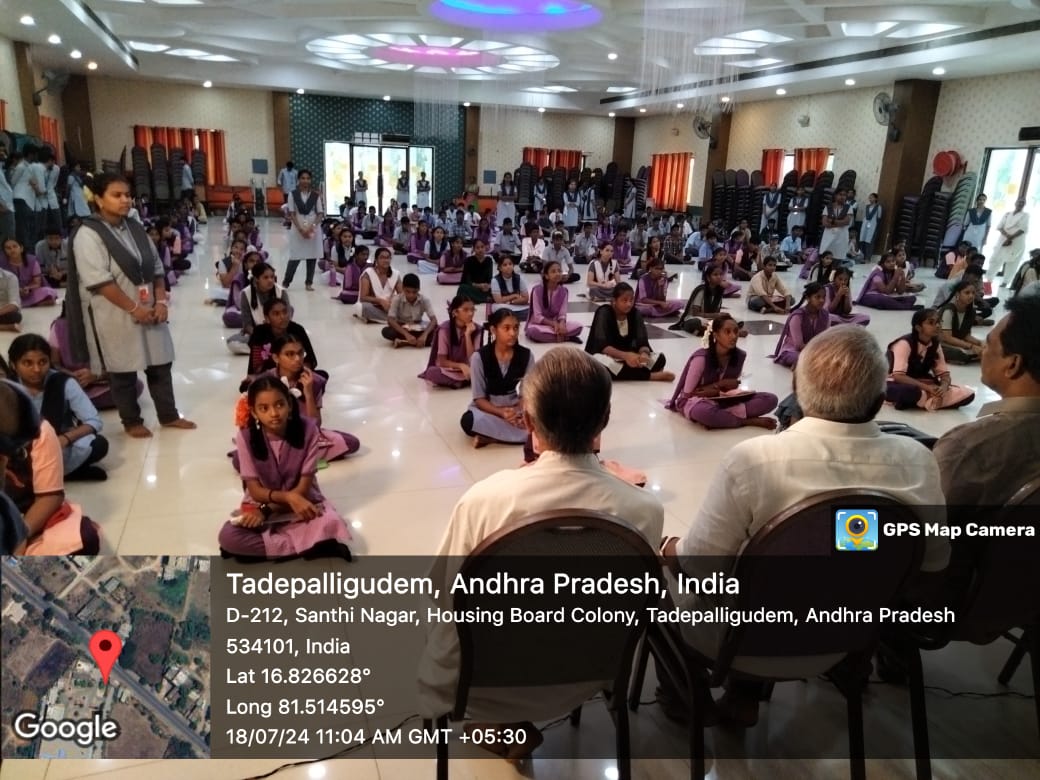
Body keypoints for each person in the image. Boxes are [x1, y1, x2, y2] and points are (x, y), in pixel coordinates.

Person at [660, 325, 950, 726]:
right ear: (881, 398)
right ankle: (748, 692)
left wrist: (667, 549)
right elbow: (931, 565)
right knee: (817, 561)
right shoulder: (917, 461)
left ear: (797, 385)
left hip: (746, 638)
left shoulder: (755, 460)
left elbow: (700, 567)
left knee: (667, 580)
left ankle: (688, 701)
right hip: (850, 637)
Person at [66, 173, 195, 438]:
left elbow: (157, 268)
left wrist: (160, 301)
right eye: (117, 195)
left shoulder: (135, 227)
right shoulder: (87, 234)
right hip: (113, 312)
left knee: (160, 362)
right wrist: (134, 308)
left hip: (149, 307)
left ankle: (169, 415)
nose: (125, 200)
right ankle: (131, 420)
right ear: (99, 199)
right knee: (121, 368)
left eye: (127, 194)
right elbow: (99, 281)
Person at [219, 376, 351, 560]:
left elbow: (303, 488)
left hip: (303, 500)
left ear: (289, 404)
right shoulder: (245, 436)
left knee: (331, 522)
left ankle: (271, 549)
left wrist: (285, 502)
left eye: (279, 405)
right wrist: (271, 506)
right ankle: (312, 545)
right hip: (261, 504)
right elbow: (255, 491)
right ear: (254, 413)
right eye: (264, 408)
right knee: (228, 537)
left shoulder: (308, 430)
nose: (273, 413)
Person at [934, 295, 1040, 507]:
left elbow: (921, 522)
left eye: (989, 344)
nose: (983, 352)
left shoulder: (968, 446)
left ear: (1013, 364)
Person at [0, 378, 100, 556]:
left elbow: (49, 497)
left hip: (28, 518)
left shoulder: (37, 430)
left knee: (83, 539)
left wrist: (19, 538)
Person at [9, 334, 108, 480]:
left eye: (42, 362)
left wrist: (65, 438)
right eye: (28, 363)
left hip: (58, 445)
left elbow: (93, 421)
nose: (36, 369)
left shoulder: (63, 382)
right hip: (22, 450)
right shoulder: (7, 387)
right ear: (13, 365)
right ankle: (65, 474)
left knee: (99, 444)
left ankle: (41, 478)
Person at [259, 334, 359, 463]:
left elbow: (315, 425)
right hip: (273, 435)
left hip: (304, 436)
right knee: (243, 458)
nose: (297, 359)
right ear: (276, 357)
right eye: (289, 354)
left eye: (300, 353)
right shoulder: (265, 381)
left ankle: (287, 459)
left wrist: (309, 393)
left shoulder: (314, 380)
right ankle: (294, 458)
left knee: (351, 443)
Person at [459, 308, 535, 448]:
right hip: (489, 409)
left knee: (543, 418)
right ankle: (518, 436)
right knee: (468, 421)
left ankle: (491, 437)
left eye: (516, 328)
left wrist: (521, 413)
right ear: (494, 330)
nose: (512, 333)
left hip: (515, 407)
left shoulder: (526, 355)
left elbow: (528, 394)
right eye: (506, 328)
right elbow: (479, 399)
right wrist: (501, 413)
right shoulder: (479, 357)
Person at [885, 308, 976, 411]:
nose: (937, 326)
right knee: (909, 392)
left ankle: (921, 401)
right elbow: (898, 376)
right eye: (931, 323)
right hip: (897, 383)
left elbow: (944, 375)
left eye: (938, 322)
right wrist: (927, 388)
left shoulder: (935, 345)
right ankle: (927, 400)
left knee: (968, 394)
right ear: (918, 328)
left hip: (923, 383)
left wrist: (943, 387)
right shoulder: (904, 343)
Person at [585, 283, 673, 382]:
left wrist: (644, 354)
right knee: (602, 364)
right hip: (607, 356)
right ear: (614, 301)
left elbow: (642, 342)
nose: (629, 304)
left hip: (631, 357)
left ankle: (630, 373)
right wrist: (625, 356)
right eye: (624, 300)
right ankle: (650, 376)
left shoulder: (635, 313)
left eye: (631, 300)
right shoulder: (604, 312)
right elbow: (602, 346)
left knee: (660, 358)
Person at [419, 295, 481, 388]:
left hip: (471, 369)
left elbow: (474, 360)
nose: (470, 313)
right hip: (450, 369)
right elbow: (442, 361)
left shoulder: (477, 329)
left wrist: (468, 335)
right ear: (455, 312)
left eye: (472, 310)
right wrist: (461, 366)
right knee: (432, 373)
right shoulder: (445, 329)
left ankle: (460, 381)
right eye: (466, 310)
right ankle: (465, 381)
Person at [246, 298, 318, 377]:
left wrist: (297, 372)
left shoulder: (297, 329)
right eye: (276, 314)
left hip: (294, 373)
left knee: (321, 376)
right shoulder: (259, 331)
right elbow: (255, 364)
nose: (282, 317)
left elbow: (310, 359)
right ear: (267, 318)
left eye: (285, 312)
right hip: (269, 375)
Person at [229, 261, 289, 354]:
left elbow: (286, 319)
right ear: (257, 279)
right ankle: (271, 349)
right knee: (233, 343)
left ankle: (265, 349)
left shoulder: (281, 292)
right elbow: (247, 324)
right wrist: (260, 335)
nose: (270, 280)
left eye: (272, 277)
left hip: (279, 332)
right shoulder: (246, 293)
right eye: (266, 277)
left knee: (298, 336)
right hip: (256, 334)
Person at [772, 282, 830, 368]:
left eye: (823, 297)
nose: (822, 300)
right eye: (817, 297)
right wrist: (819, 352)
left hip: (816, 351)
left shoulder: (825, 315)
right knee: (801, 358)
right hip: (793, 351)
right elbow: (799, 346)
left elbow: (826, 339)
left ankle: (805, 365)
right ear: (808, 298)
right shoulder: (797, 316)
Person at [283, 169, 324, 290]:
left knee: (312, 256)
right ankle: (286, 282)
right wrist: (301, 229)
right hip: (297, 228)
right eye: (303, 178)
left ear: (310, 180)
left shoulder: (316, 195)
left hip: (313, 227)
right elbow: (292, 213)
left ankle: (309, 283)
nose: (305, 180)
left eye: (308, 178)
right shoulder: (292, 194)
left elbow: (320, 213)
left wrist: (312, 228)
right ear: (298, 180)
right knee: (295, 255)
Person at [526, 261, 582, 343]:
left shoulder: (564, 291)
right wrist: (553, 324)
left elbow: (562, 314)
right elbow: (537, 316)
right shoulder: (537, 290)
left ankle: (554, 336)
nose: (557, 274)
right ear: (546, 276)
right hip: (540, 324)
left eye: (559, 271)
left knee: (578, 327)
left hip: (557, 324)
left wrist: (562, 324)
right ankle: (566, 338)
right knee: (533, 332)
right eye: (553, 271)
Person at [383, 272, 437, 347]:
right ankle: (417, 341)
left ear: (419, 290)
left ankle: (404, 342)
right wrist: (406, 334)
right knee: (386, 331)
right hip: (402, 328)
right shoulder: (397, 299)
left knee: (439, 330)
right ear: (403, 288)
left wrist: (424, 335)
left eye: (414, 292)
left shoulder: (425, 300)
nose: (411, 295)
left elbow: (434, 320)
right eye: (408, 291)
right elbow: (390, 319)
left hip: (418, 328)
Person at [936, 280, 984, 364]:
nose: (971, 296)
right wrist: (971, 346)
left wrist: (980, 343)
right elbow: (947, 338)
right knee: (961, 354)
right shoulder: (949, 310)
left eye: (973, 293)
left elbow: (965, 335)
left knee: (985, 348)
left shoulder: (971, 312)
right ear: (958, 294)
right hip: (941, 343)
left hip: (956, 341)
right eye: (967, 293)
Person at [1, 238, 58, 307]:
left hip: (29, 292)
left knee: (48, 291)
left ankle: (20, 304)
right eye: (8, 248)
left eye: (15, 246)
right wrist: (16, 290)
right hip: (10, 293)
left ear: (21, 248)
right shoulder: (1, 263)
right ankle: (30, 303)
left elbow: (37, 283)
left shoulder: (32, 261)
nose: (12, 250)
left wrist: (27, 288)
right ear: (5, 251)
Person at [355, 247, 402, 323]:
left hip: (389, 307)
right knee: (362, 307)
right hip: (373, 306)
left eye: (388, 258)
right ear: (376, 260)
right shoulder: (368, 273)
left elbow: (402, 295)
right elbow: (363, 298)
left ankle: (384, 319)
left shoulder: (395, 274)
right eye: (382, 258)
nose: (386, 260)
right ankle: (394, 320)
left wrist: (393, 302)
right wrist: (380, 301)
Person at [991, 199, 1030, 281]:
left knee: (1012, 262)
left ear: (1024, 205)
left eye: (1022, 203)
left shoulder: (1025, 215)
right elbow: (1000, 226)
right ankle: (989, 278)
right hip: (1003, 239)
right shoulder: (1007, 214)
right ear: (1015, 203)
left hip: (1017, 241)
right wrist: (1007, 236)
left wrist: (1010, 238)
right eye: (1019, 202)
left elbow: (1023, 229)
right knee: (996, 258)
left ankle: (1006, 281)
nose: (1020, 204)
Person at [490, 255, 529, 321]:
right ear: (500, 268)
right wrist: (514, 296)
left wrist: (512, 301)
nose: (508, 267)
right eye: (505, 265)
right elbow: (498, 300)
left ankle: (509, 317)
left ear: (513, 266)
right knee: (500, 310)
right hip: (501, 306)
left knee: (531, 310)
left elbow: (526, 298)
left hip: (516, 304)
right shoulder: (495, 280)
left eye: (510, 264)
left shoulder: (519, 278)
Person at [818, 189, 853, 259]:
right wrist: (840, 223)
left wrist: (832, 221)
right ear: (835, 195)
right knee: (825, 256)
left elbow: (846, 222)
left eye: (844, 195)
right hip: (829, 236)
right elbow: (825, 223)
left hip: (841, 236)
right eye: (840, 194)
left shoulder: (849, 208)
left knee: (838, 257)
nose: (842, 197)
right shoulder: (828, 207)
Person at [457, 239, 494, 303]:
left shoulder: (489, 260)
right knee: (462, 288)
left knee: (497, 288)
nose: (480, 250)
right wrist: (478, 285)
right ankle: (484, 299)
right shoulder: (469, 260)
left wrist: (487, 286)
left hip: (484, 288)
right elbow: (466, 280)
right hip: (472, 286)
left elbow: (490, 277)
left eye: (482, 247)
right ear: (474, 249)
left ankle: (475, 298)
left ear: (485, 248)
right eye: (477, 247)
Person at [859, 193, 882, 261]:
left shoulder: (878, 207)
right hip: (865, 225)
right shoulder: (867, 206)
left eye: (872, 197)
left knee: (869, 241)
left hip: (872, 226)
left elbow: (879, 217)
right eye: (869, 197)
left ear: (876, 199)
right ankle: (862, 256)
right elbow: (865, 216)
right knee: (863, 240)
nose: (870, 199)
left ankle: (868, 257)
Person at [0, 266, 22, 332]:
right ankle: (7, 327)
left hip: (4, 312)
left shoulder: (10, 277)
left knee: (15, 316)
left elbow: (14, 305)